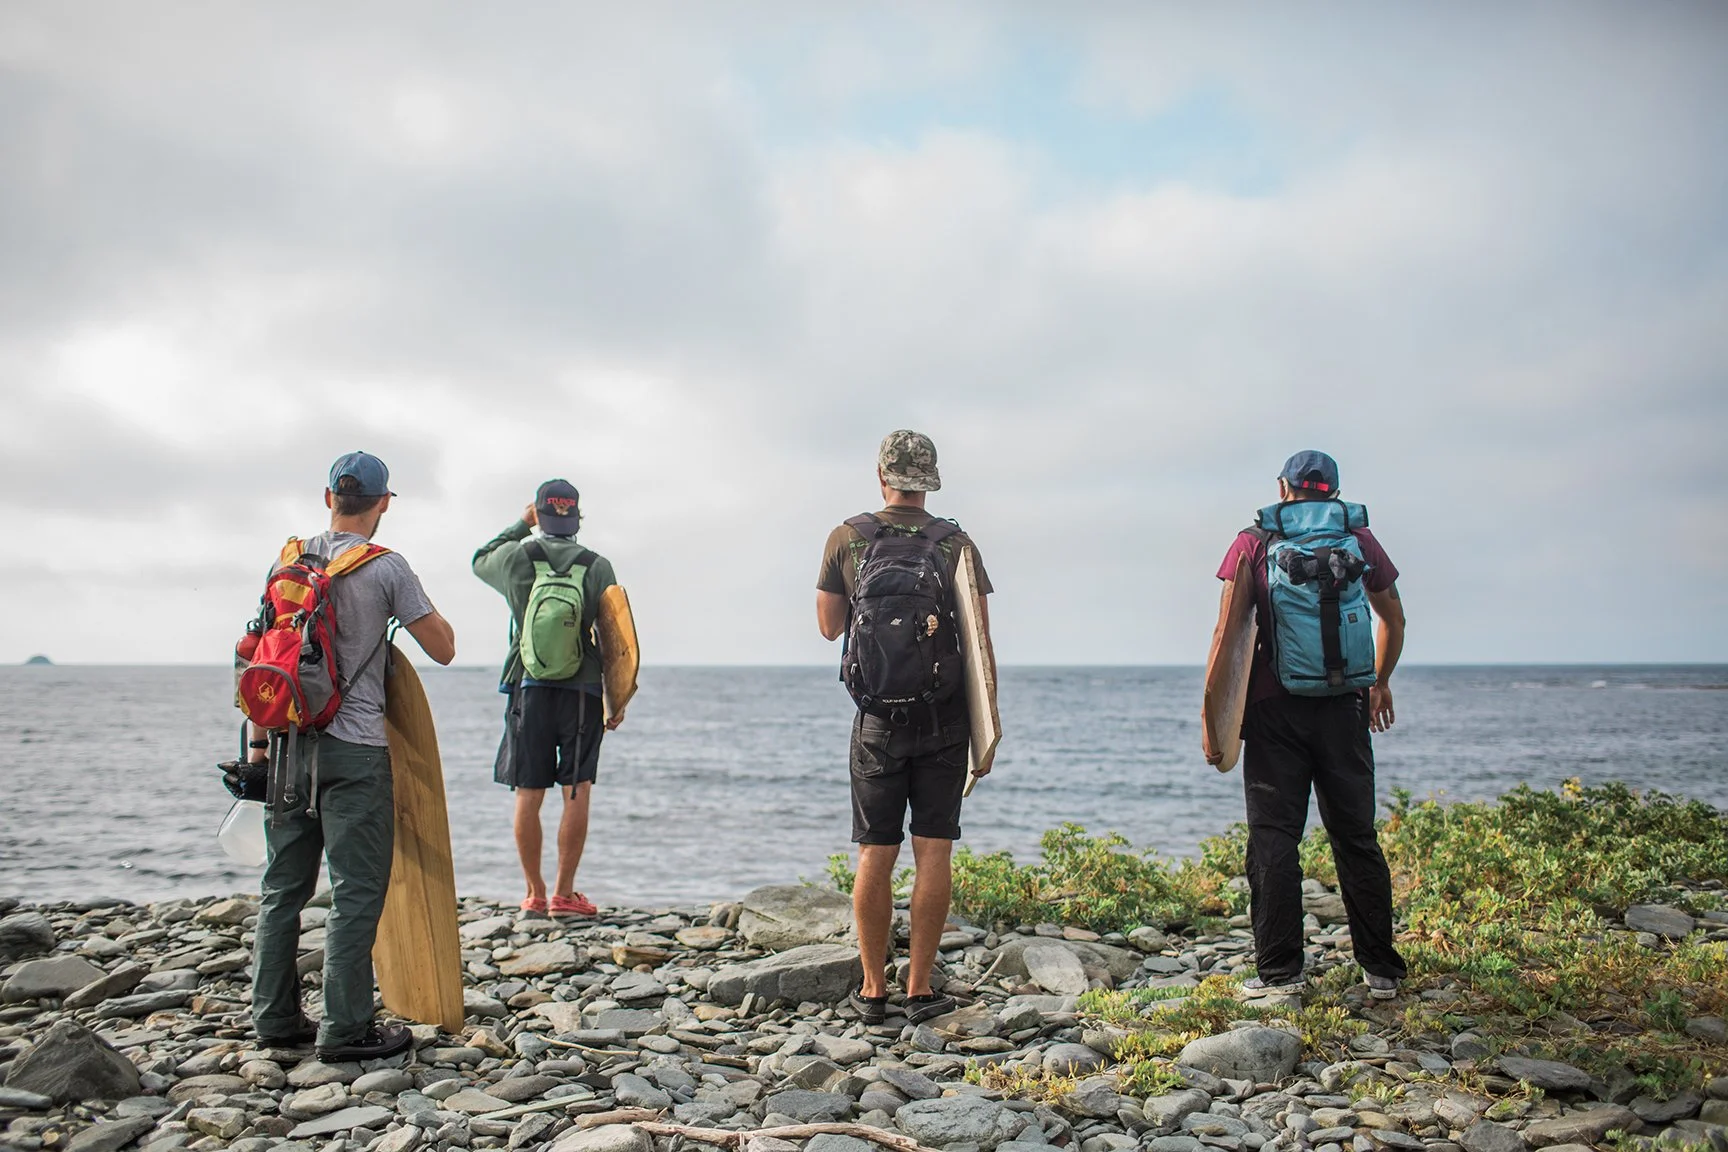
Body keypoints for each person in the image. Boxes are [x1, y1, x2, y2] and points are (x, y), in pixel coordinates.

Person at [248, 451, 456, 1060]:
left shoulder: (288, 561)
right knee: (355, 892)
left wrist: (258, 752)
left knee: (282, 888)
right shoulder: (386, 567)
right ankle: (346, 1029)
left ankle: (275, 1020)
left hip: (286, 749)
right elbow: (442, 648)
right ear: (384, 502)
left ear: (328, 498)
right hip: (355, 750)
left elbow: (258, 656)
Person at [1208, 450, 1408, 1000]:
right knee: (1356, 838)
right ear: (1334, 492)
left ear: (1284, 488)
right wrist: (1380, 682)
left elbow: (1227, 635)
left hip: (1273, 712)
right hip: (1345, 707)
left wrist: (1215, 721)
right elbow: (1393, 617)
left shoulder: (1255, 541)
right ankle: (1382, 971)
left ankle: (1280, 975)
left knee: (1274, 840)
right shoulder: (1358, 539)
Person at [816, 430, 996, 1025]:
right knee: (934, 850)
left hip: (875, 719)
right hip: (943, 718)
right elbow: (978, 640)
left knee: (876, 852)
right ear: (931, 479)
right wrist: (985, 730)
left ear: (881, 475)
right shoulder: (956, 543)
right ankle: (920, 988)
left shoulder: (849, 536)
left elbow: (827, 626)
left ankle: (872, 991)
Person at [473, 479, 623, 918]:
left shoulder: (517, 558)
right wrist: (617, 700)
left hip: (528, 686)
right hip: (583, 689)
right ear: (576, 517)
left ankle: (534, 893)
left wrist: (521, 525)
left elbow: (479, 559)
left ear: (539, 514)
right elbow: (616, 638)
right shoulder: (598, 566)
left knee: (528, 792)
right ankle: (564, 893)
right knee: (576, 791)